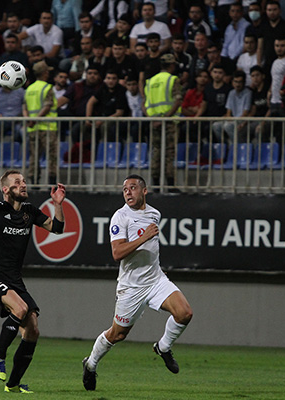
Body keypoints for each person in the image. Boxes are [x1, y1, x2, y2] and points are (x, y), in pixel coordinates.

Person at [82, 173, 193, 391]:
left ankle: (163, 347)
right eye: (125, 189)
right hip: (131, 287)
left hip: (155, 279)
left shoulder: (154, 214)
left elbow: (151, 246)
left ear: (144, 191)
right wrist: (143, 237)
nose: (128, 192)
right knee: (118, 334)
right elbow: (117, 253)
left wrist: (152, 255)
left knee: (184, 313)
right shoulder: (120, 217)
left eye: (132, 188)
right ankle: (91, 364)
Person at [0, 161, 66, 394]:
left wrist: (58, 204)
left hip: (15, 280)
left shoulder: (30, 212)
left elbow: (57, 228)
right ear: (6, 189)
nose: (23, 185)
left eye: (24, 181)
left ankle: (13, 384)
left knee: (33, 329)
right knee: (20, 309)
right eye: (17, 182)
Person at [142, 54, 182, 190]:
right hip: (168, 122)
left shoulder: (150, 81)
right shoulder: (172, 79)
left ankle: (155, 184)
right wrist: (165, 118)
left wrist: (152, 119)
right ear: (172, 65)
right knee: (169, 152)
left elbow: (145, 104)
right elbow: (177, 100)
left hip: (154, 122)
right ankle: (170, 184)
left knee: (156, 151)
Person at [23, 60, 59, 185]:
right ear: (45, 73)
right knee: (52, 156)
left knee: (34, 156)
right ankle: (51, 183)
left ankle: (34, 182)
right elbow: (47, 106)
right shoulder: (47, 88)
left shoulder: (29, 88)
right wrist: (35, 119)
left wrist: (29, 120)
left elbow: (24, 108)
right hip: (48, 127)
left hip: (32, 128)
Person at [212, 70, 254, 144]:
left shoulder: (248, 93)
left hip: (242, 119)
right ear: (232, 82)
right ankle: (224, 145)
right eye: (235, 82)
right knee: (216, 125)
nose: (237, 84)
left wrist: (234, 121)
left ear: (244, 82)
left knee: (227, 126)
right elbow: (228, 111)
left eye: (240, 82)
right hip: (233, 119)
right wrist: (229, 118)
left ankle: (236, 145)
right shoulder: (231, 93)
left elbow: (245, 113)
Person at [86, 70, 128, 143]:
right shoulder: (103, 88)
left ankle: (107, 148)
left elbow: (119, 113)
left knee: (104, 126)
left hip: (117, 119)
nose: (110, 81)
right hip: (103, 116)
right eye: (108, 78)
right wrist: (88, 118)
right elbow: (90, 102)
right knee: (83, 127)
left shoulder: (121, 91)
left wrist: (102, 121)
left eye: (113, 78)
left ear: (117, 80)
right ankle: (86, 148)